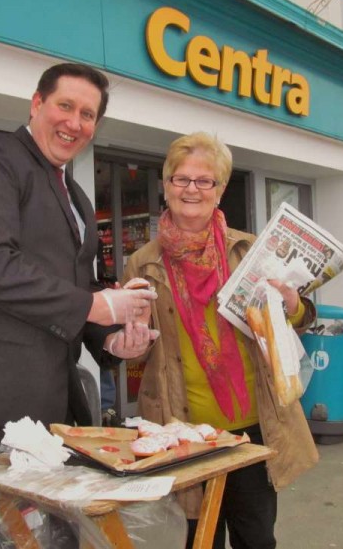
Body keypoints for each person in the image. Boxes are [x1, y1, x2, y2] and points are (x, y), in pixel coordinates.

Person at [0, 62, 157, 549]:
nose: (74, 122)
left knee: (49, 530)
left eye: (88, 115)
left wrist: (112, 338)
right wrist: (99, 309)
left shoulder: (77, 197)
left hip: (49, 392)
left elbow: (82, 287)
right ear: (36, 104)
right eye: (65, 106)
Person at [122, 132, 319, 549]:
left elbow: (295, 321)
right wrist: (130, 339)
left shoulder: (251, 251)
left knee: (256, 538)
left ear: (220, 189)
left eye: (203, 181)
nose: (190, 189)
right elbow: (136, 346)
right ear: (166, 185)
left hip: (251, 428)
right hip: (184, 432)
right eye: (180, 179)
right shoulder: (142, 262)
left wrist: (291, 305)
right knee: (200, 540)